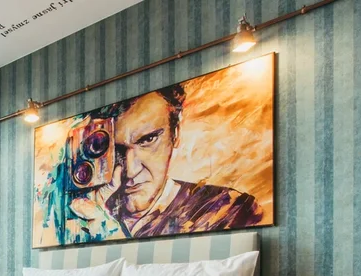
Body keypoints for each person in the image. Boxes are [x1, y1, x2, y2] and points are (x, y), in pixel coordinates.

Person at [66, 84, 264, 240]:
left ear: (175, 134)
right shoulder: (87, 209)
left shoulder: (227, 208)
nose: (131, 170)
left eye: (148, 140)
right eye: (115, 150)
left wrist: (109, 233)